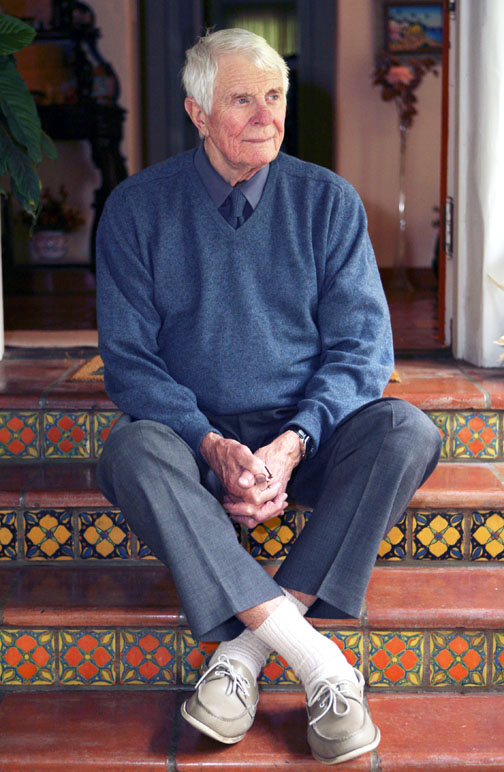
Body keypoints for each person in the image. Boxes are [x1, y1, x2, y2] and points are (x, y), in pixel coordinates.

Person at [96, 28, 441, 766]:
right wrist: (209, 444)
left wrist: (294, 443)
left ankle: (245, 656)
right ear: (197, 111)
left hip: (306, 440)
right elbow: (129, 363)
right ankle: (321, 665)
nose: (266, 115)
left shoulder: (328, 203)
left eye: (275, 95)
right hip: (195, 443)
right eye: (242, 99)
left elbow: (362, 350)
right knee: (130, 449)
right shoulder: (136, 208)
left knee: (405, 431)